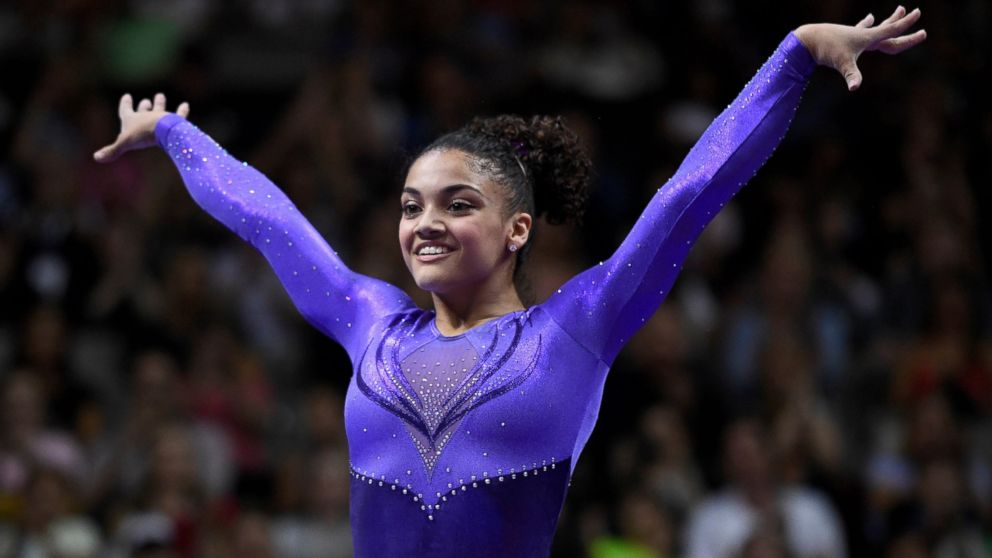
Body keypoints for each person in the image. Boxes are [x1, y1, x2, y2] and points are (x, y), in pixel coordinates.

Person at [93, 8, 925, 557]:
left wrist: (792, 58)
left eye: (457, 205)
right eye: (411, 204)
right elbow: (269, 220)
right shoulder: (373, 322)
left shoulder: (572, 332)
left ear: (516, 230)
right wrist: (171, 134)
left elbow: (687, 198)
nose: (424, 223)